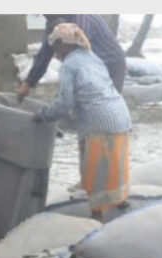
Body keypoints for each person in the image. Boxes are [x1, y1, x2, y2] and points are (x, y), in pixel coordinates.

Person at [34, 23, 132, 222]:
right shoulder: (92, 57)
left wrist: (42, 116)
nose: (55, 52)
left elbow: (65, 102)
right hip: (120, 113)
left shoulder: (69, 65)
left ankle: (97, 214)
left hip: (99, 120)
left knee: (94, 167)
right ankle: (120, 200)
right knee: (115, 162)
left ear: (65, 43)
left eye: (56, 46)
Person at [17, 14, 126, 101]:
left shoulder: (82, 19)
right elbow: (45, 53)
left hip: (111, 64)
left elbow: (79, 59)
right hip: (91, 65)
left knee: (105, 103)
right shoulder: (53, 21)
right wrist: (28, 82)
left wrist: (64, 96)